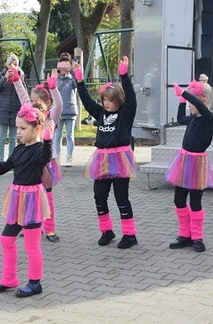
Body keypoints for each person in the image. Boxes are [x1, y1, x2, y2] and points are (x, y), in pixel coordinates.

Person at [0, 103, 54, 298]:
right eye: (17, 128)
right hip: (17, 199)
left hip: (32, 201)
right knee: (6, 239)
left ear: (37, 129)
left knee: (31, 245)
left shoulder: (40, 149)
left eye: (23, 128)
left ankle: (35, 283)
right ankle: (9, 279)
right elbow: (2, 169)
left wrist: (49, 140)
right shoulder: (18, 150)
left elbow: (46, 158)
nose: (18, 132)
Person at [74, 56, 139, 249]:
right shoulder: (101, 113)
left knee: (121, 197)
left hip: (120, 159)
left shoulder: (126, 113)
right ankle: (106, 230)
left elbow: (132, 97)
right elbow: (86, 101)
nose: (106, 103)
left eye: (110, 100)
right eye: (104, 100)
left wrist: (124, 76)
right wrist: (80, 81)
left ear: (118, 100)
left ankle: (130, 234)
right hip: (102, 159)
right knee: (99, 196)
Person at [12, 68, 62, 242]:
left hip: (46, 161)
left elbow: (59, 105)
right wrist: (17, 81)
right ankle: (30, 224)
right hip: (29, 160)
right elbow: (23, 98)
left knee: (46, 194)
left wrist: (54, 89)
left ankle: (49, 228)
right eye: (32, 101)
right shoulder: (30, 114)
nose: (33, 104)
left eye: (37, 102)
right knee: (28, 194)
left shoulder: (51, 117)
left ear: (47, 103)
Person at [167, 80, 213, 253]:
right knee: (179, 200)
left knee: (195, 202)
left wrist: (184, 93)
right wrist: (181, 101)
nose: (189, 106)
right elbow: (180, 119)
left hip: (198, 164)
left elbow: (198, 105)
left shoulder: (208, 118)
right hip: (183, 161)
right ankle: (184, 235)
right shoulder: (193, 118)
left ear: (202, 101)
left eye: (191, 103)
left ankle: (197, 237)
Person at [0, 53, 25, 162]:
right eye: (11, 64)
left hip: (16, 112)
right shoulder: (1, 75)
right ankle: (1, 161)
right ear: (7, 65)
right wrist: (5, 78)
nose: (13, 66)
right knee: (1, 138)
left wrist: (20, 79)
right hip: (3, 110)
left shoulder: (21, 75)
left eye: (15, 64)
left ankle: (11, 160)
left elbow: (24, 92)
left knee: (13, 138)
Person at [53, 52, 78, 167]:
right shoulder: (56, 78)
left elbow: (78, 83)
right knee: (57, 136)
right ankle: (56, 157)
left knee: (70, 135)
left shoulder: (72, 79)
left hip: (70, 111)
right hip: (58, 112)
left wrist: (71, 70)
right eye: (62, 64)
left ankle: (69, 157)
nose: (63, 68)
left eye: (66, 65)